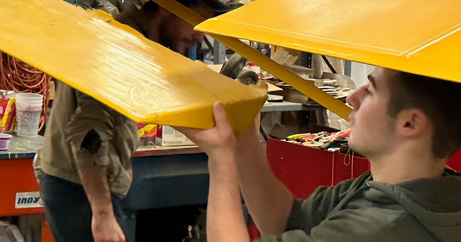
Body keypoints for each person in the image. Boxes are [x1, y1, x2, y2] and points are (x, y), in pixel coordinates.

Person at [36, 0, 229, 242]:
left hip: (84, 182)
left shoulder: (134, 40)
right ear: (165, 9)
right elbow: (88, 134)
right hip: (79, 188)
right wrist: (103, 215)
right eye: (196, 22)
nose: (200, 37)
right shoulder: (119, 48)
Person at [181, 67, 461, 241]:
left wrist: (221, 161)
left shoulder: (377, 228)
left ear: (410, 123)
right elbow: (285, 220)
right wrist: (244, 139)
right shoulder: (428, 191)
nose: (352, 98)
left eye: (371, 91)